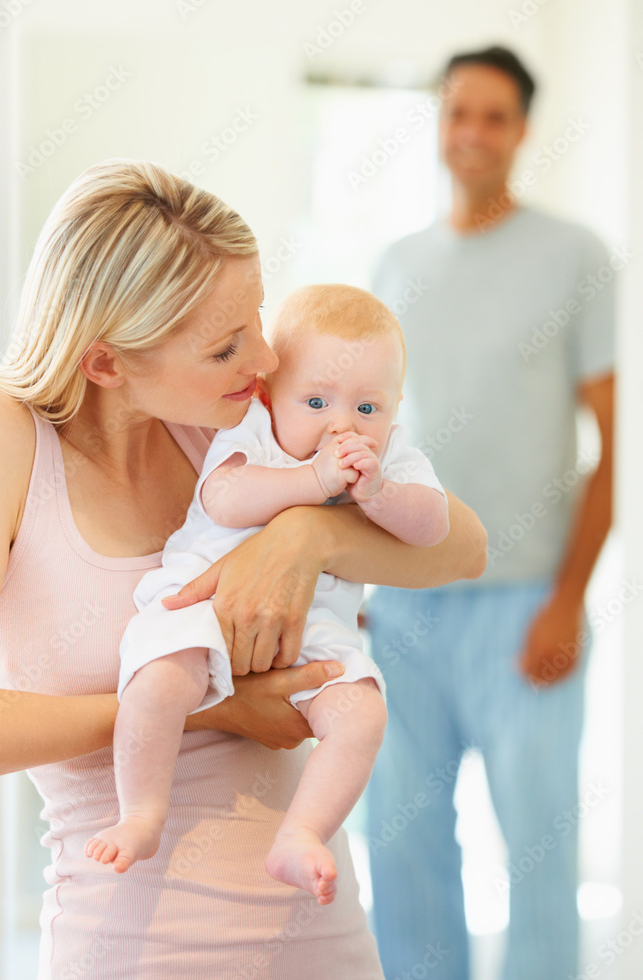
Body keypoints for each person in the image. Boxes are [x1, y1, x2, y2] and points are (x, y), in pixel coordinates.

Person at [0, 158, 487, 980]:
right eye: (225, 345)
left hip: (318, 933)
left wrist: (307, 536)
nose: (268, 357)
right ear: (106, 364)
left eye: (255, 318)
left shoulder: (230, 418)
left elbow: (461, 547)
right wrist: (203, 705)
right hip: (136, 954)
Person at [366, 46, 615, 980]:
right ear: (437, 119)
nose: (471, 132)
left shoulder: (575, 258)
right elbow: (368, 437)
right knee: (405, 849)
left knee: (539, 856)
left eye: (494, 116)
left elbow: (615, 444)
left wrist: (567, 600)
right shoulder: (398, 262)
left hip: (527, 609)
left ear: (520, 131)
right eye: (456, 111)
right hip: (404, 612)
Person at [85, 284, 449, 906]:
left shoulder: (390, 453)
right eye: (316, 400)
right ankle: (141, 812)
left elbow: (437, 528)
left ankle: (302, 834)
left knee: (362, 713)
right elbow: (222, 498)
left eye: (368, 407)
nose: (343, 425)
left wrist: (381, 495)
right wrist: (313, 480)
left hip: (316, 628)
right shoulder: (255, 430)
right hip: (198, 603)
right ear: (269, 395)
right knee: (160, 679)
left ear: (394, 409)